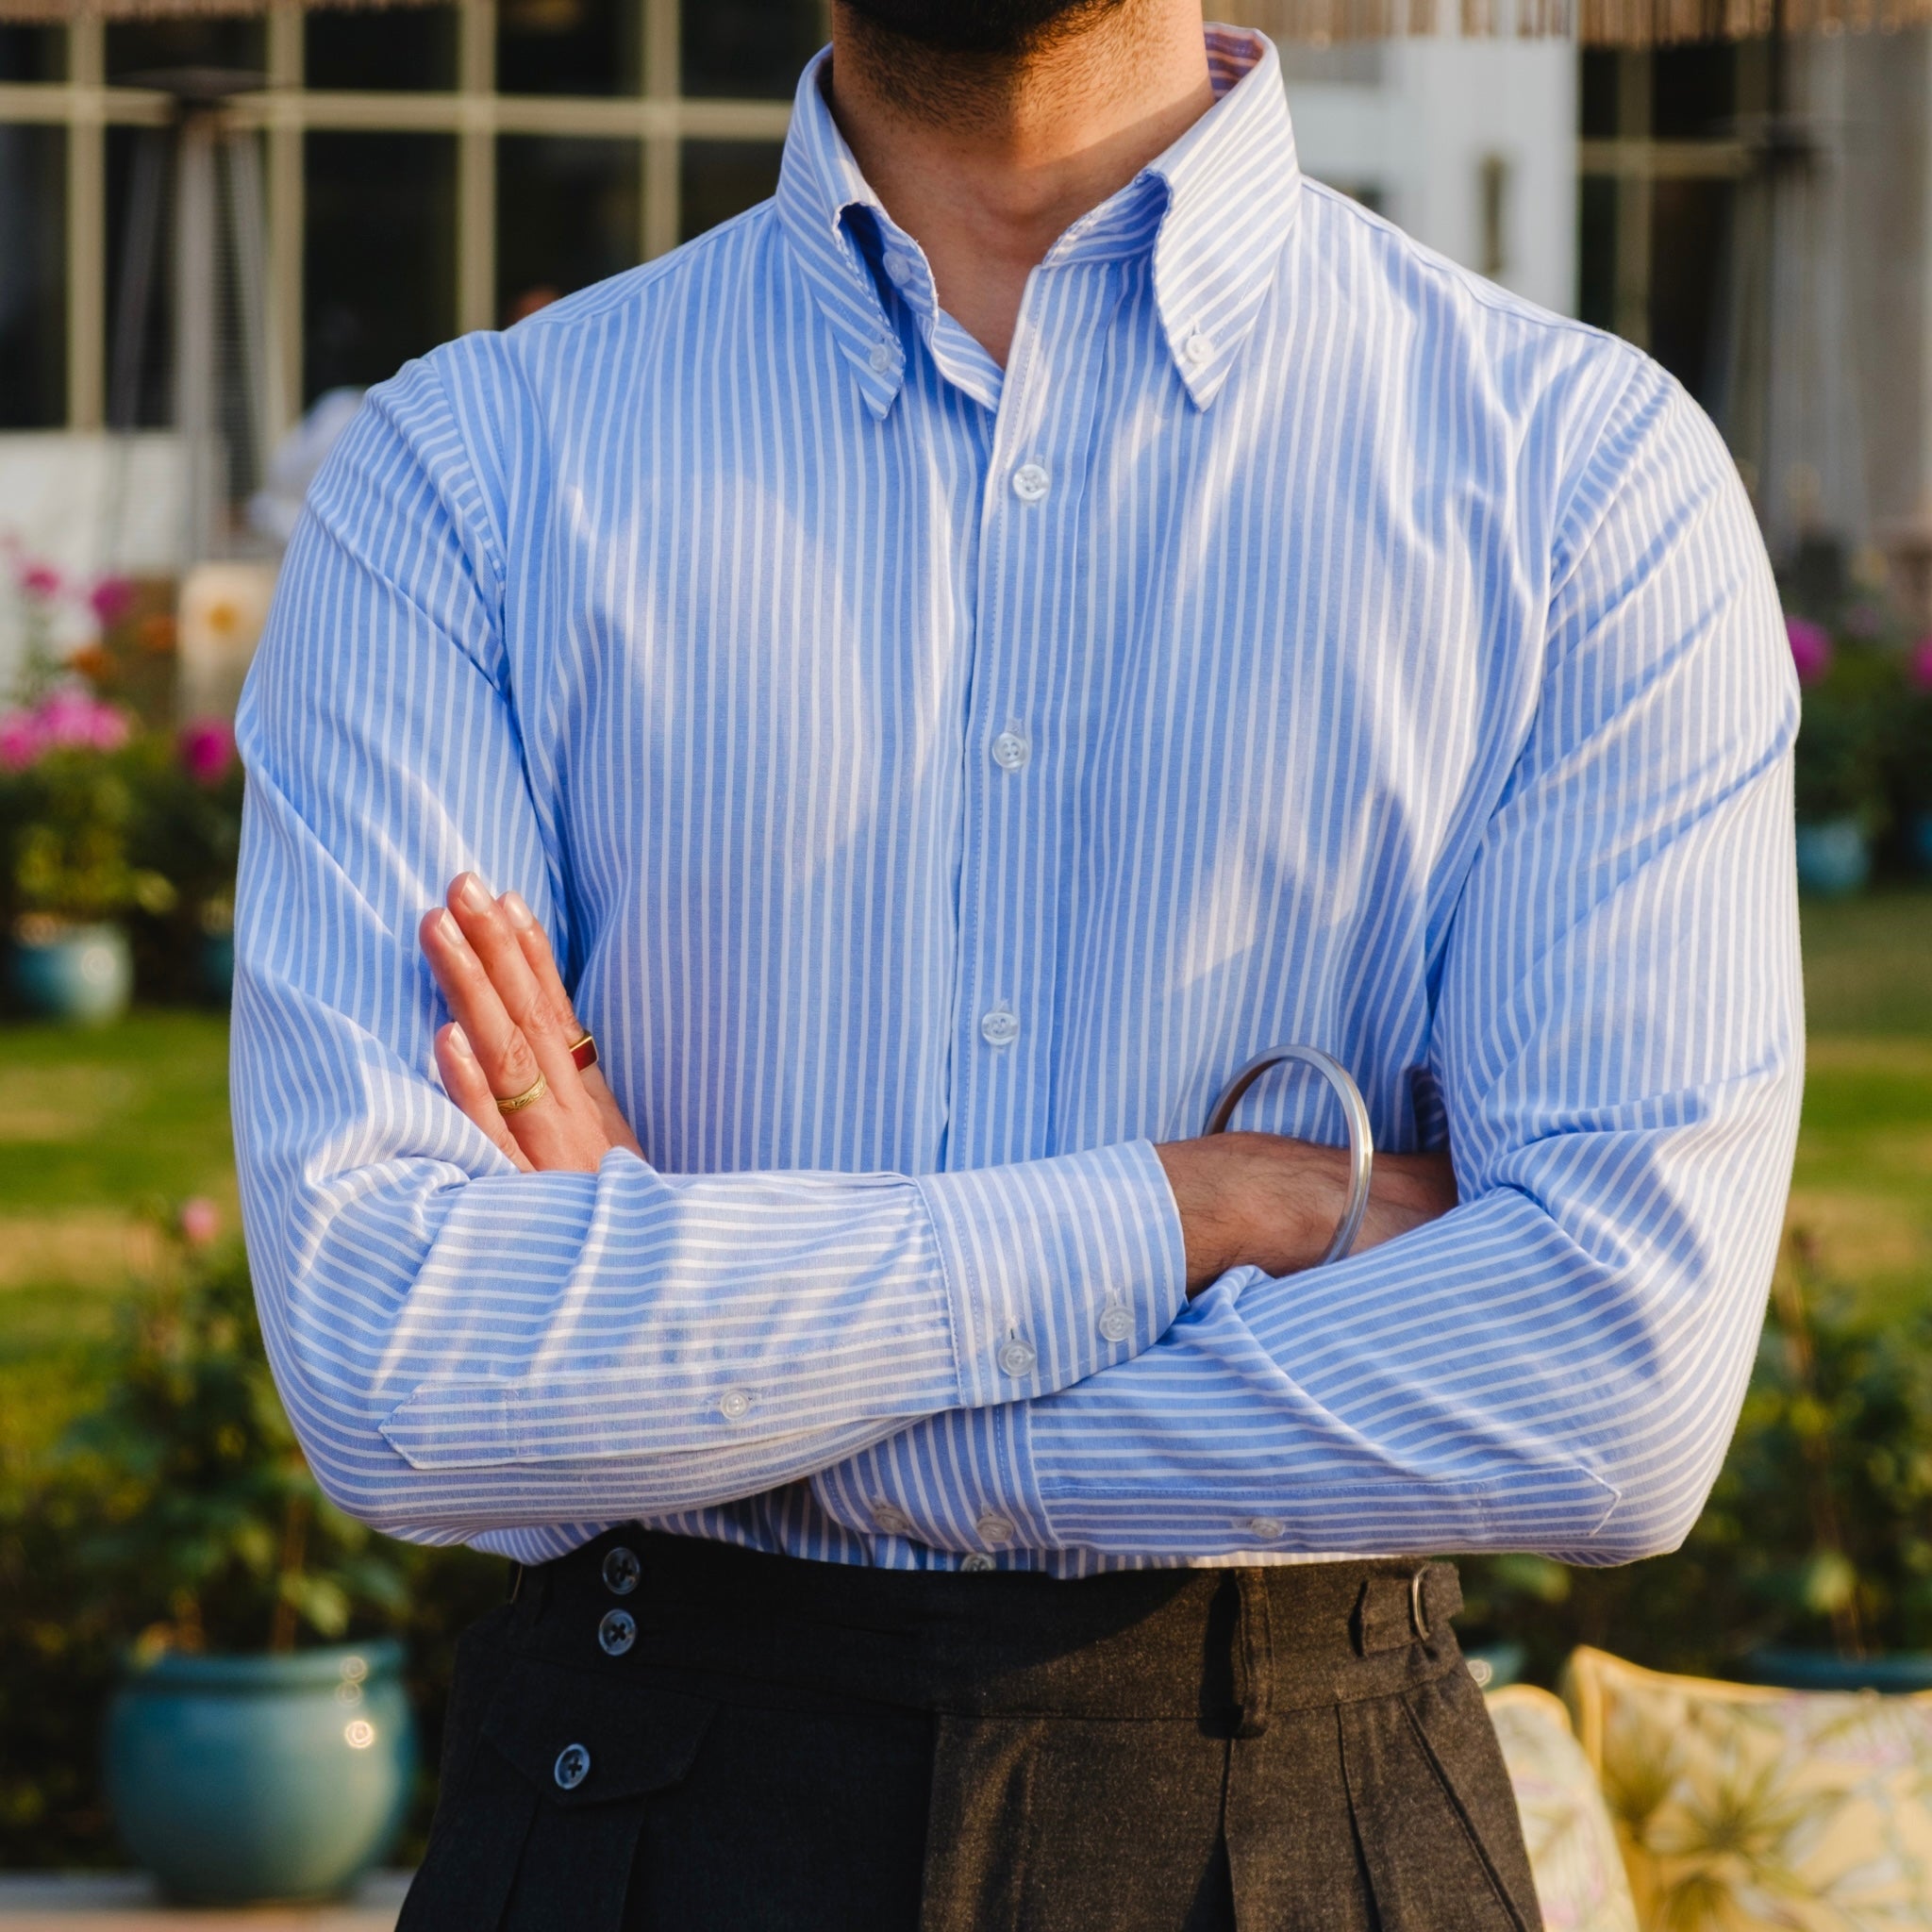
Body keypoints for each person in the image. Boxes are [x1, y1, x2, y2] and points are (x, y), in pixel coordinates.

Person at [231, 0, 1803, 1924]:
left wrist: (744, 1407)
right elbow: (400, 1357)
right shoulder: (464, 478)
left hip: (1299, 1828)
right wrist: (1183, 1210)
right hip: (634, 1824)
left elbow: (1609, 1384)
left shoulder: (1580, 485)